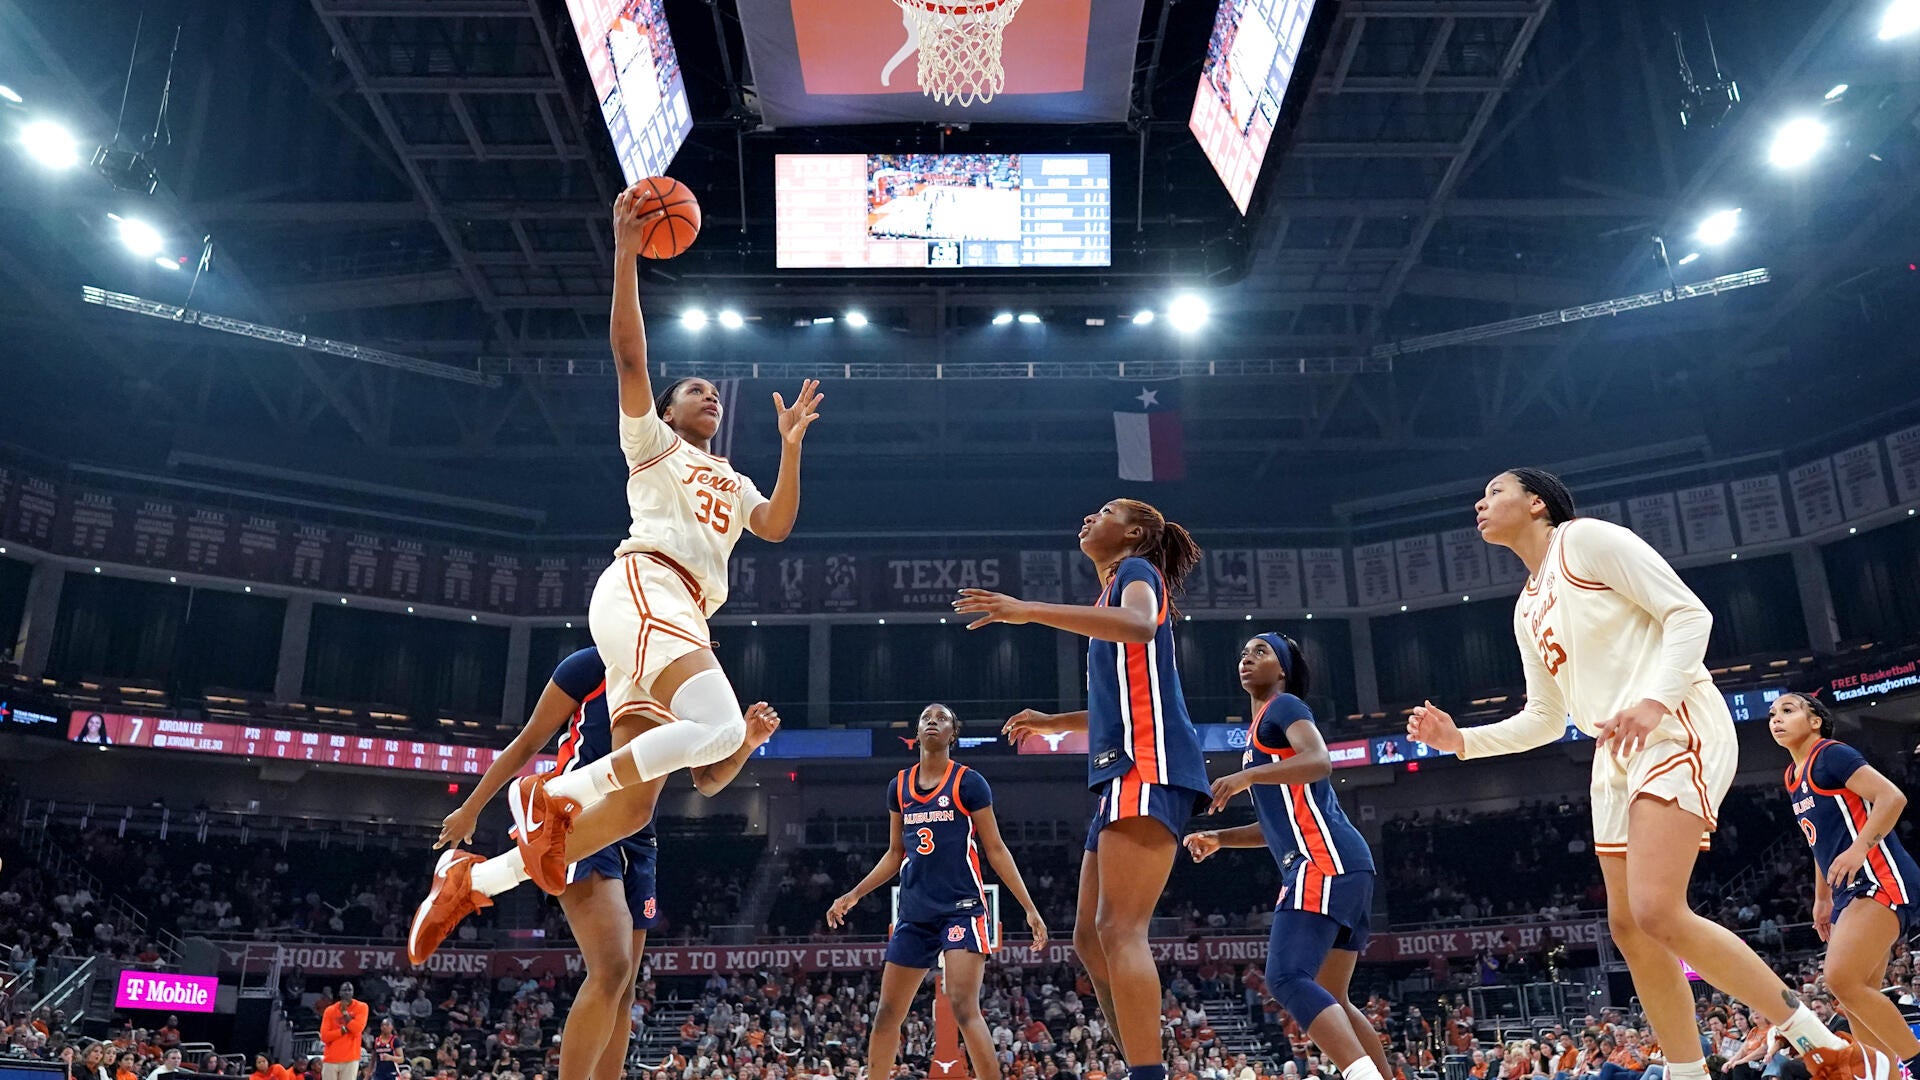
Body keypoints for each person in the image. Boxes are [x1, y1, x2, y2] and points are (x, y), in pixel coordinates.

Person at [407, 183, 819, 931]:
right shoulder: (652, 444)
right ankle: (548, 796)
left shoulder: (734, 476)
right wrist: (627, 254)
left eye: (712, 393)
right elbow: (631, 355)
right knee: (722, 726)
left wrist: (791, 448)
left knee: (630, 809)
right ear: (666, 412)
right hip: (646, 585)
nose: (709, 396)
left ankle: (475, 881)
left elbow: (779, 524)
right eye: (695, 390)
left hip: (673, 610)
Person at [1406, 468, 1888, 1080]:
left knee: (1658, 908)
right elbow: (1547, 720)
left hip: (1672, 718)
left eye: (1493, 491)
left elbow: (1690, 616)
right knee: (1629, 927)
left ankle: (1826, 1046)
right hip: (1614, 750)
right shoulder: (1526, 606)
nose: (1479, 501)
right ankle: (1688, 1073)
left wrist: (1657, 699)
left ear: (1535, 503)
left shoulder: (1583, 540)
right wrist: (1460, 740)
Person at [413, 648, 779, 1080]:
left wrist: (748, 744)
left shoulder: (689, 677)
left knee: (623, 992)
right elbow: (530, 739)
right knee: (611, 968)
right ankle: (471, 878)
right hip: (579, 813)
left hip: (640, 838)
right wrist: (472, 807)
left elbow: (707, 779)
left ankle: (470, 879)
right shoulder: (591, 664)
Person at [957, 497, 1209, 1080]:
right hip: (1121, 765)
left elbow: (1144, 624)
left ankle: (1149, 1073)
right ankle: (1139, 1061)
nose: (1090, 516)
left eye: (1106, 510)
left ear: (1135, 532)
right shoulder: (1108, 594)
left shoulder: (1136, 573)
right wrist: (1053, 723)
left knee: (1121, 929)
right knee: (1090, 943)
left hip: (1149, 763)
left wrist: (1027, 610)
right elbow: (1120, 702)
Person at [1183, 634, 1389, 1080]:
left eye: (1261, 652)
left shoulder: (1285, 706)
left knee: (1286, 976)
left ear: (1283, 670)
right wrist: (1221, 837)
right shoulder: (1263, 728)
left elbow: (1320, 760)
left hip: (1324, 859)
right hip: (1344, 862)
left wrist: (1247, 776)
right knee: (1334, 993)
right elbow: (1277, 827)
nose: (1246, 658)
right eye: (1243, 652)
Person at [825, 704, 1050, 1080]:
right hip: (914, 913)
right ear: (916, 732)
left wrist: (1028, 907)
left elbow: (995, 848)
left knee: (964, 1007)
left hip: (961, 908)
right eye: (926, 717)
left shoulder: (969, 782)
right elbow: (895, 854)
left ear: (952, 735)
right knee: (886, 1015)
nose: (933, 721)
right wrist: (853, 894)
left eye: (942, 718)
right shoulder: (898, 786)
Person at [1771, 690, 1920, 1070]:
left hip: (1879, 875)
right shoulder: (1792, 776)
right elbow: (1819, 842)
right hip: (1846, 890)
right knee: (1858, 996)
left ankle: (1915, 1063)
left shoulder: (1832, 754)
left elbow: (1892, 798)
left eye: (1788, 710)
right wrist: (1822, 898)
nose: (1776, 718)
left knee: (1841, 979)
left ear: (1815, 720)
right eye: (1772, 714)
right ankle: (1886, 1076)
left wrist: (1857, 850)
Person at [319, 982, 368, 1080]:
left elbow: (357, 1029)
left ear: (353, 993)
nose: (347, 993)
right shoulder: (330, 1010)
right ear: (340, 993)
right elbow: (324, 1037)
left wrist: (345, 1014)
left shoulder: (362, 1007)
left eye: (349, 990)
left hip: (350, 1059)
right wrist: (341, 1031)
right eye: (344, 990)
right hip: (331, 1058)